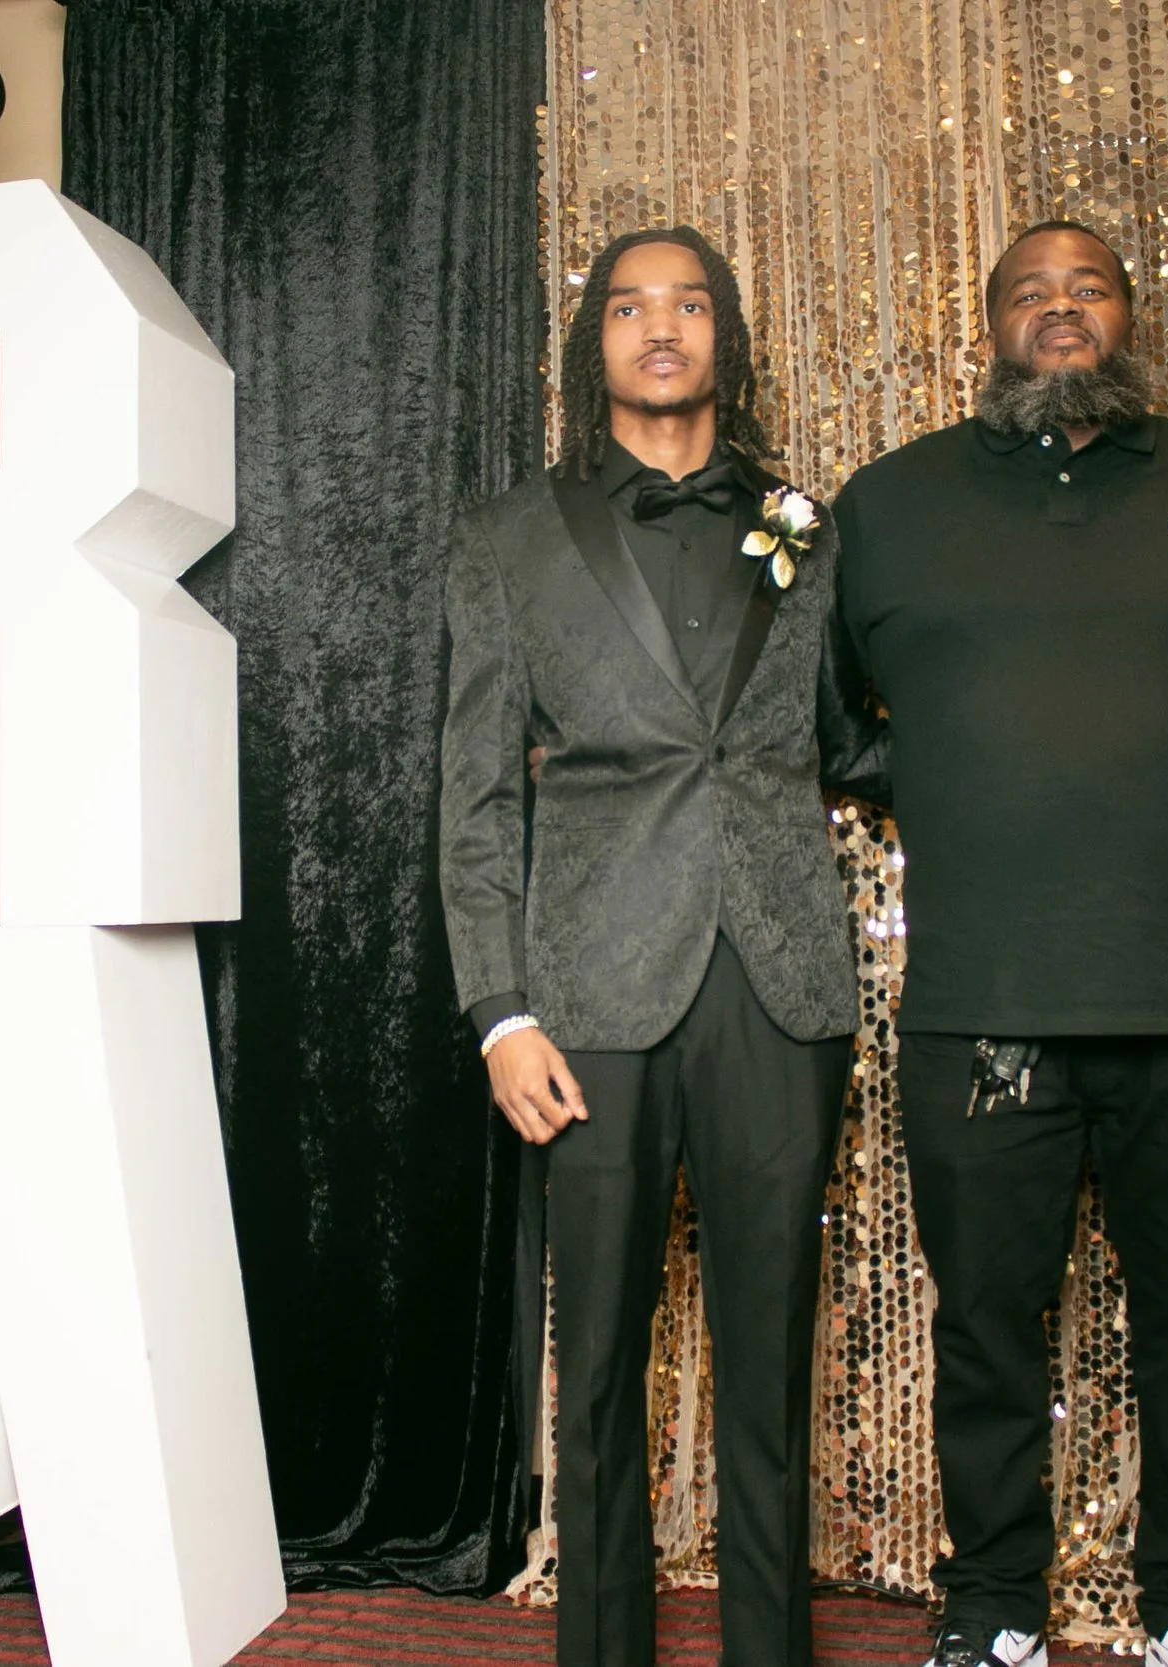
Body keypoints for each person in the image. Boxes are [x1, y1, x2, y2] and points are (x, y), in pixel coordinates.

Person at [832, 221, 1168, 1667]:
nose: (1061, 306)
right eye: (1030, 289)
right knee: (985, 1327)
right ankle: (992, 1612)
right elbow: (828, 714)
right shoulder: (891, 502)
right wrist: (952, 778)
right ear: (992, 328)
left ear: (1128, 316)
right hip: (987, 1004)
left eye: (1089, 285)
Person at [437, 225, 887, 1667]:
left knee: (771, 1368)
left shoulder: (809, 527)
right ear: (598, 345)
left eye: (690, 303)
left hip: (779, 980)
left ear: (723, 337)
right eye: (630, 306)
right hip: (588, 997)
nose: (662, 326)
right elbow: (476, 794)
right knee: (596, 1373)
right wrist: (501, 1012)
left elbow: (847, 737)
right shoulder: (509, 537)